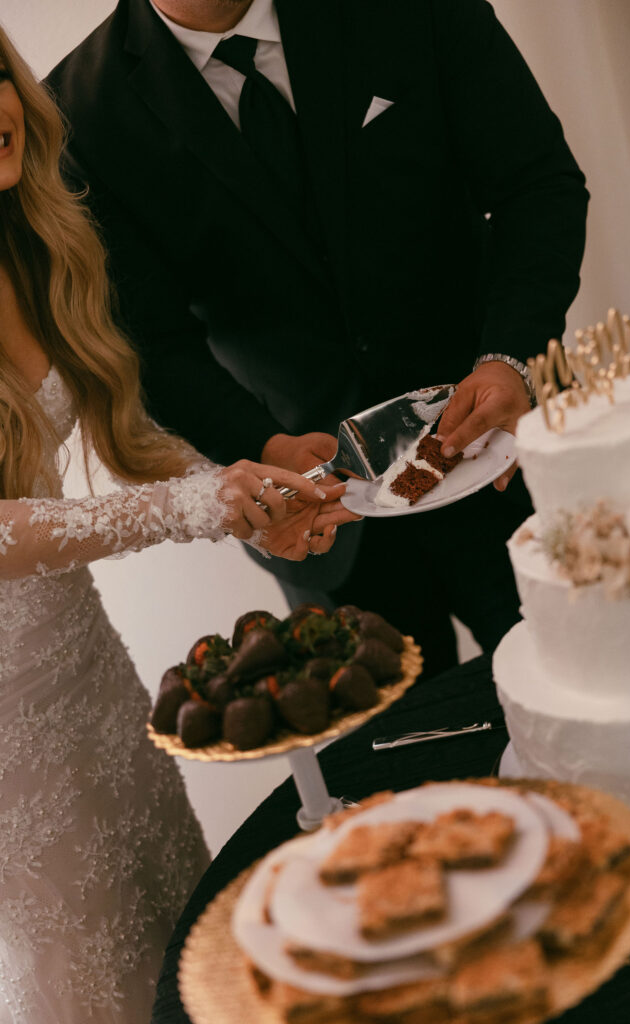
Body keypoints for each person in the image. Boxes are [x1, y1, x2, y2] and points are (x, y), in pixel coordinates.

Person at [47, 0, 590, 677]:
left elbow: (534, 183)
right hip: (320, 515)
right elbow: (147, 341)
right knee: (403, 766)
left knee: (598, 685)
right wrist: (260, 444)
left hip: (506, 450)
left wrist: (510, 357)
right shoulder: (75, 114)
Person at [0, 26, 347, 1023]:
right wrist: (195, 507)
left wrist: (247, 487)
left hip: (88, 679)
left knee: (172, 938)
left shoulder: (36, 238)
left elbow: (128, 423)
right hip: (7, 740)